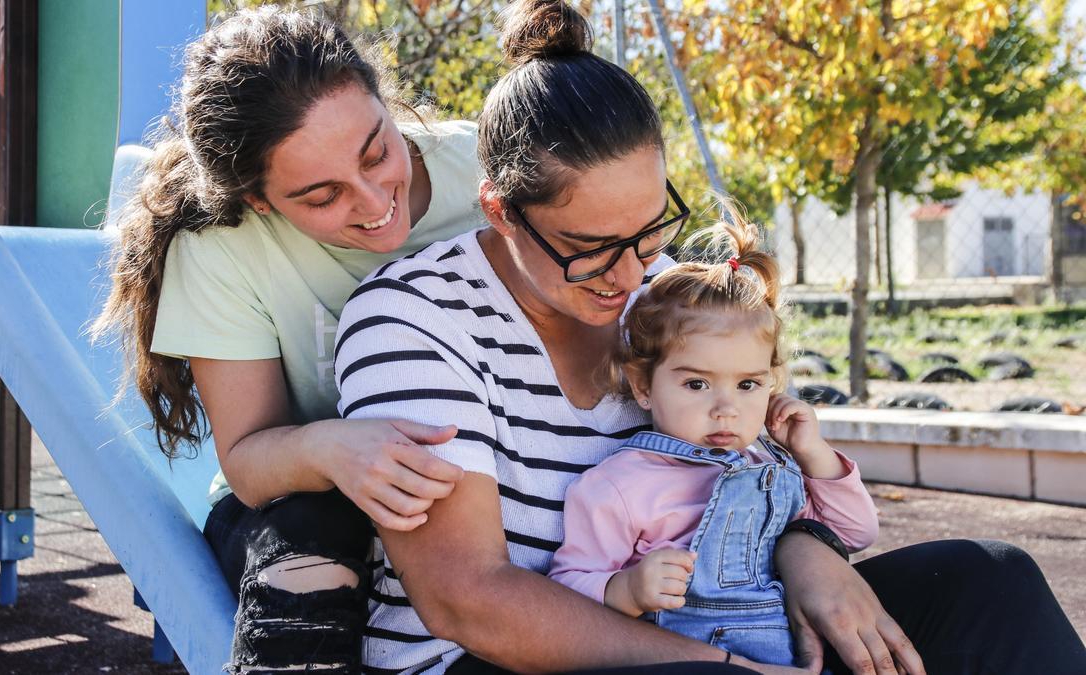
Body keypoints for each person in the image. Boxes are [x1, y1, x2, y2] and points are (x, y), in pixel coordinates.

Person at [334, 1, 1086, 674]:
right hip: (496, 656)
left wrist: (808, 555)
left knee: (991, 582)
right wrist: (720, 662)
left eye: (650, 227)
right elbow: (470, 601)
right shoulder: (411, 320)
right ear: (500, 209)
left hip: (726, 618)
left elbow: (753, 456)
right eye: (590, 246)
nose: (630, 274)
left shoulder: (667, 293)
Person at [93, 7, 489, 672]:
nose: (373, 202)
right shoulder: (220, 247)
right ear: (262, 201)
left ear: (386, 105)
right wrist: (331, 449)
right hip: (297, 511)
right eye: (322, 195)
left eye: (377, 152)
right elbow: (248, 459)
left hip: (473, 494)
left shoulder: (485, 173)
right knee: (318, 525)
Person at [547, 216, 879, 666]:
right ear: (643, 385)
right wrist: (625, 589)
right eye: (697, 385)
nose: (726, 409)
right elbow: (568, 584)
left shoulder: (772, 466)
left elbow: (854, 532)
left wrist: (813, 453)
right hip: (688, 659)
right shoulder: (620, 486)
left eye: (747, 385)